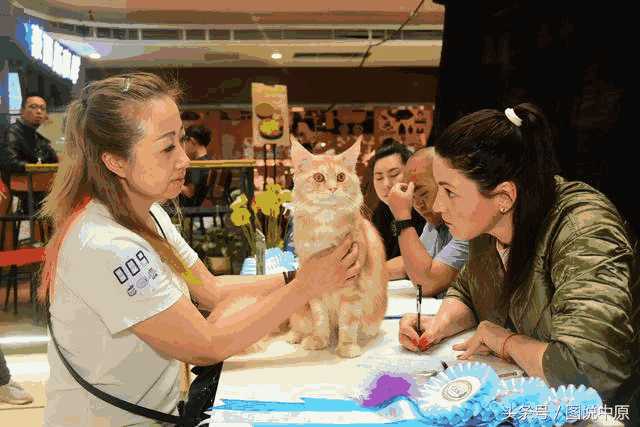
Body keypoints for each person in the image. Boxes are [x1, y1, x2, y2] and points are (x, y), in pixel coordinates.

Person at [40, 73, 360, 426]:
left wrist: (299, 276)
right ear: (116, 161)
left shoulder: (150, 215)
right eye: (166, 147)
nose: (184, 159)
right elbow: (205, 344)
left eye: (181, 141)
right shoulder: (107, 246)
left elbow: (211, 290)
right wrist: (306, 287)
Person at [399, 103, 639, 407]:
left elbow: (591, 370)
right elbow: (470, 291)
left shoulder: (583, 228)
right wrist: (438, 324)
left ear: (504, 196)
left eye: (449, 191)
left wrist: (505, 342)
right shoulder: (488, 228)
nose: (437, 206)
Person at [385, 147, 468, 297]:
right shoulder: (433, 223)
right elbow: (411, 263)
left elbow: (427, 283)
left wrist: (402, 217)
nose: (418, 205)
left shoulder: (469, 224)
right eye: (413, 197)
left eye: (423, 194)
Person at [369, 140, 426, 279]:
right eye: (379, 177)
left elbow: (412, 263)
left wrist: (365, 274)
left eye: (394, 174)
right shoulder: (381, 211)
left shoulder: (424, 208)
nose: (386, 184)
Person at [0, 93, 58, 211]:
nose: (39, 111)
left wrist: (52, 130)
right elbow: (10, 162)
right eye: (33, 107)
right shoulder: (13, 132)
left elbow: (54, 159)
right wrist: (34, 167)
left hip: (41, 182)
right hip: (21, 181)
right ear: (22, 111)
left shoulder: (42, 134)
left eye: (42, 108)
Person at [179, 124, 212, 208]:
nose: (184, 146)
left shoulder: (196, 165)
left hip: (191, 210)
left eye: (184, 141)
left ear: (192, 141)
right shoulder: (209, 162)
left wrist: (171, 183)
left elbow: (189, 192)